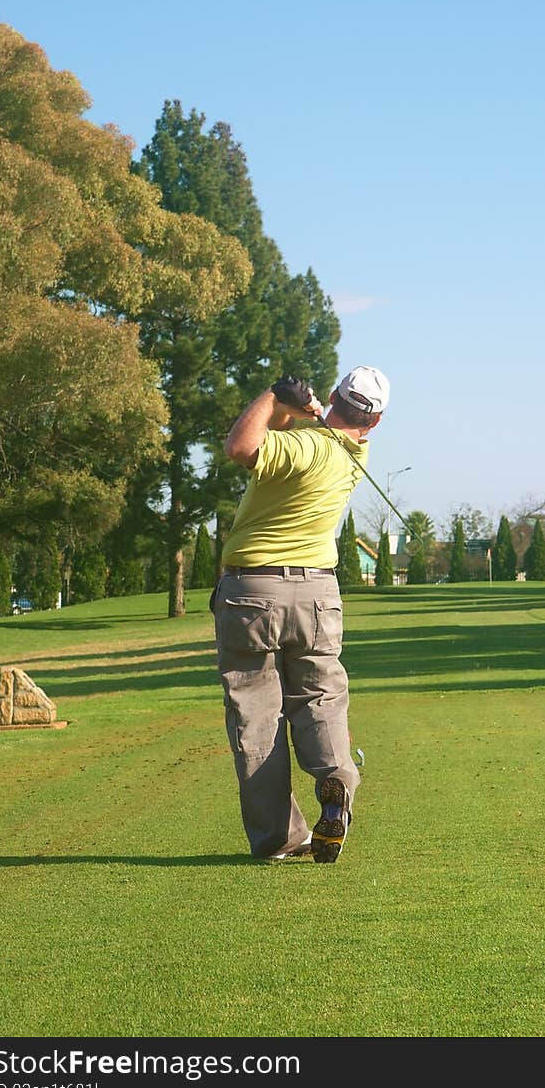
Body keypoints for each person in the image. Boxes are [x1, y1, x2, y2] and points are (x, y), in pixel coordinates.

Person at [213, 365, 389, 863]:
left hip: (252, 592)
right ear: (374, 423)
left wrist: (272, 395)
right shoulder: (356, 453)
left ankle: (280, 838)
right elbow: (292, 438)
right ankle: (335, 780)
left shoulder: (309, 448)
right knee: (321, 698)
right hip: (318, 593)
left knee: (256, 715)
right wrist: (297, 411)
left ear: (333, 394)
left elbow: (242, 447)